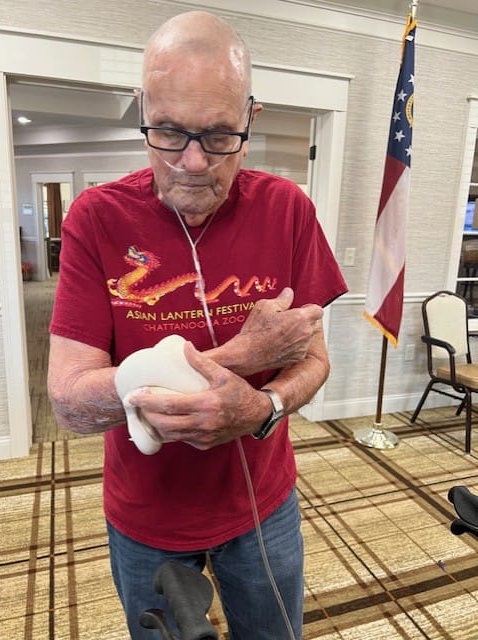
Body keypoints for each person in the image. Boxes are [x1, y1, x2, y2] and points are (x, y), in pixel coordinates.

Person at [47, 10, 347, 640]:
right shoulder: (95, 218)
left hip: (264, 505)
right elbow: (71, 403)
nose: (190, 161)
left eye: (217, 136)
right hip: (146, 516)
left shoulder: (288, 209)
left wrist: (264, 406)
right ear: (140, 110)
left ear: (251, 120)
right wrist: (243, 353)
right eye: (166, 131)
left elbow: (314, 361)